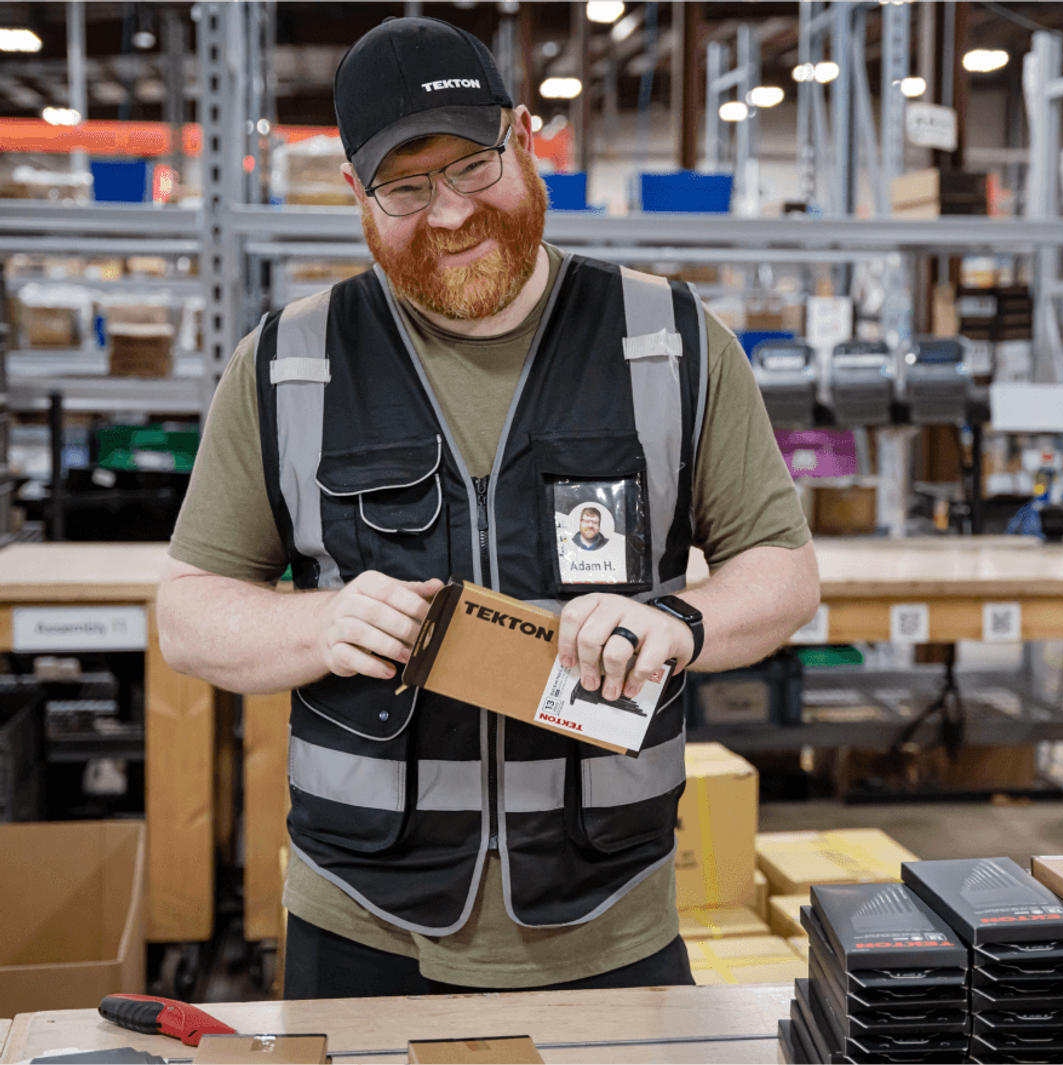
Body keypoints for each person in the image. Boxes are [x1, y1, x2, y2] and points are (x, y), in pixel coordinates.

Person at [156, 15, 819, 999]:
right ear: (355, 193)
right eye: (408, 187)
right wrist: (323, 623)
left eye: (472, 167)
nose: (451, 213)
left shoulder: (672, 342)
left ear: (523, 134)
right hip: (361, 923)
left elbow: (784, 571)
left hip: (616, 912)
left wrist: (676, 622)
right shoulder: (291, 363)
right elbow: (187, 614)